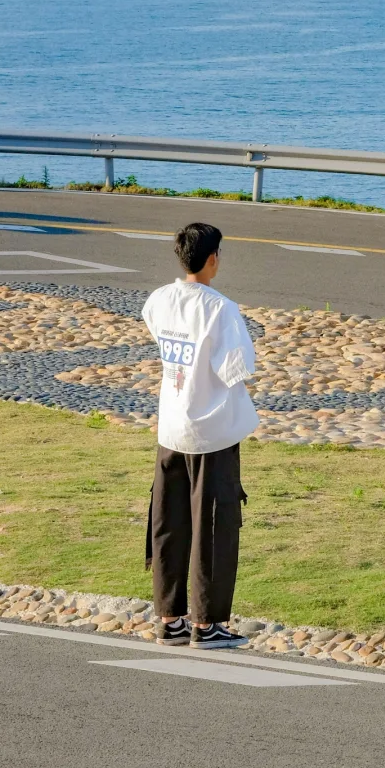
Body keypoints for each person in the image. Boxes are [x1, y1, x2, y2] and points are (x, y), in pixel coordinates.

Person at [142, 222, 259, 648]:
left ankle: (169, 617)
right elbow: (237, 369)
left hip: (171, 426)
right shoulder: (220, 309)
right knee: (214, 525)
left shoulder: (159, 300)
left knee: (168, 522)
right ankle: (208, 624)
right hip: (212, 431)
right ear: (212, 259)